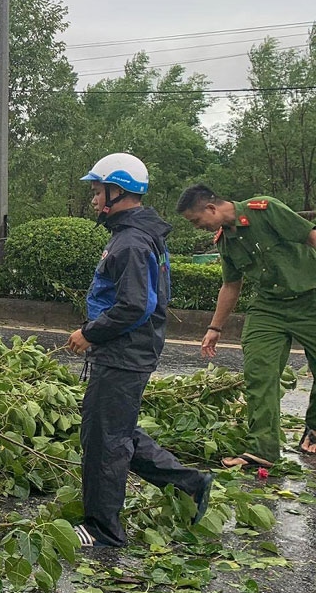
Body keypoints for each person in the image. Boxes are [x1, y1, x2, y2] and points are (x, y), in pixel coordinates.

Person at [66, 155, 212, 548]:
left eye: (98, 192)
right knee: (117, 430)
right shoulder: (136, 233)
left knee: (104, 440)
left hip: (123, 352)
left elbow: (134, 305)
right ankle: (191, 484)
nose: (94, 200)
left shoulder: (130, 240)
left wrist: (90, 333)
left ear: (118, 191)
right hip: (130, 350)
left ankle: (102, 529)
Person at [176, 183, 316, 466]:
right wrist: (214, 328)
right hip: (269, 308)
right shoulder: (225, 241)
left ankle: (313, 429)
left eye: (196, 220)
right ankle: (262, 451)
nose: (197, 227)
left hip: (311, 298)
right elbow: (230, 285)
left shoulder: (265, 210)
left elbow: (311, 236)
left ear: (211, 208)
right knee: (259, 373)